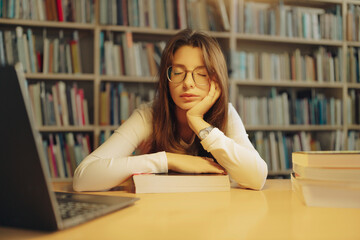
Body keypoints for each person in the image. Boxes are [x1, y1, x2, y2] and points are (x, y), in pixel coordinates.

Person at [73, 29, 268, 192]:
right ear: (167, 77)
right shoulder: (149, 115)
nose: (188, 83)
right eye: (178, 72)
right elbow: (83, 178)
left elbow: (256, 178)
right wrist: (168, 160)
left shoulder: (226, 113)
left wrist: (198, 122)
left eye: (200, 74)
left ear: (215, 80)